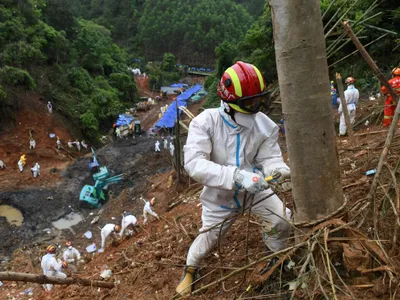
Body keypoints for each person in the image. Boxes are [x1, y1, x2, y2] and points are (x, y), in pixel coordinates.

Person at [175, 61, 292, 295]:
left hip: (256, 190)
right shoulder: (205, 123)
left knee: (281, 220)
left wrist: (278, 170)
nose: (257, 107)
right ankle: (190, 270)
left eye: (260, 100)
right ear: (229, 104)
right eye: (250, 103)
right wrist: (237, 177)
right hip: (220, 196)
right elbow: (195, 164)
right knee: (208, 238)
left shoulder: (264, 125)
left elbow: (269, 157)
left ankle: (274, 259)